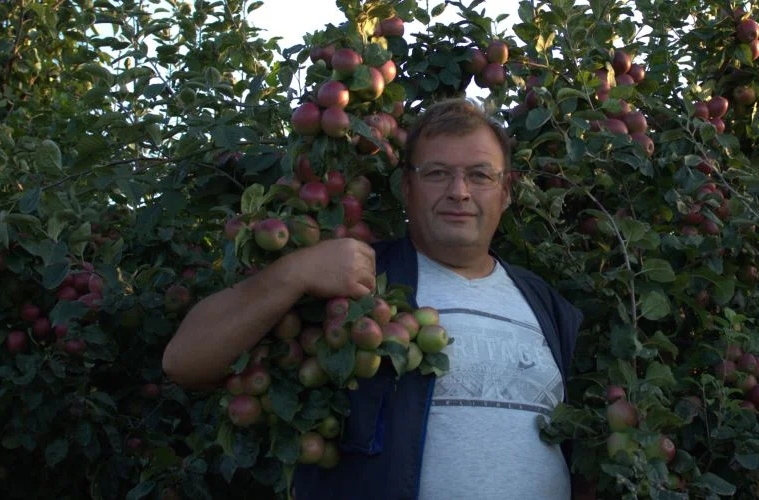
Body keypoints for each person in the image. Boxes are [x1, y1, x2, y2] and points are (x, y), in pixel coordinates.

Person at [162, 98, 584, 499]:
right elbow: (185, 362)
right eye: (437, 173)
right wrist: (294, 273)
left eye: (479, 174)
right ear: (407, 187)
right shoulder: (353, 282)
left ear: (506, 191)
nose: (459, 191)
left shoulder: (545, 304)